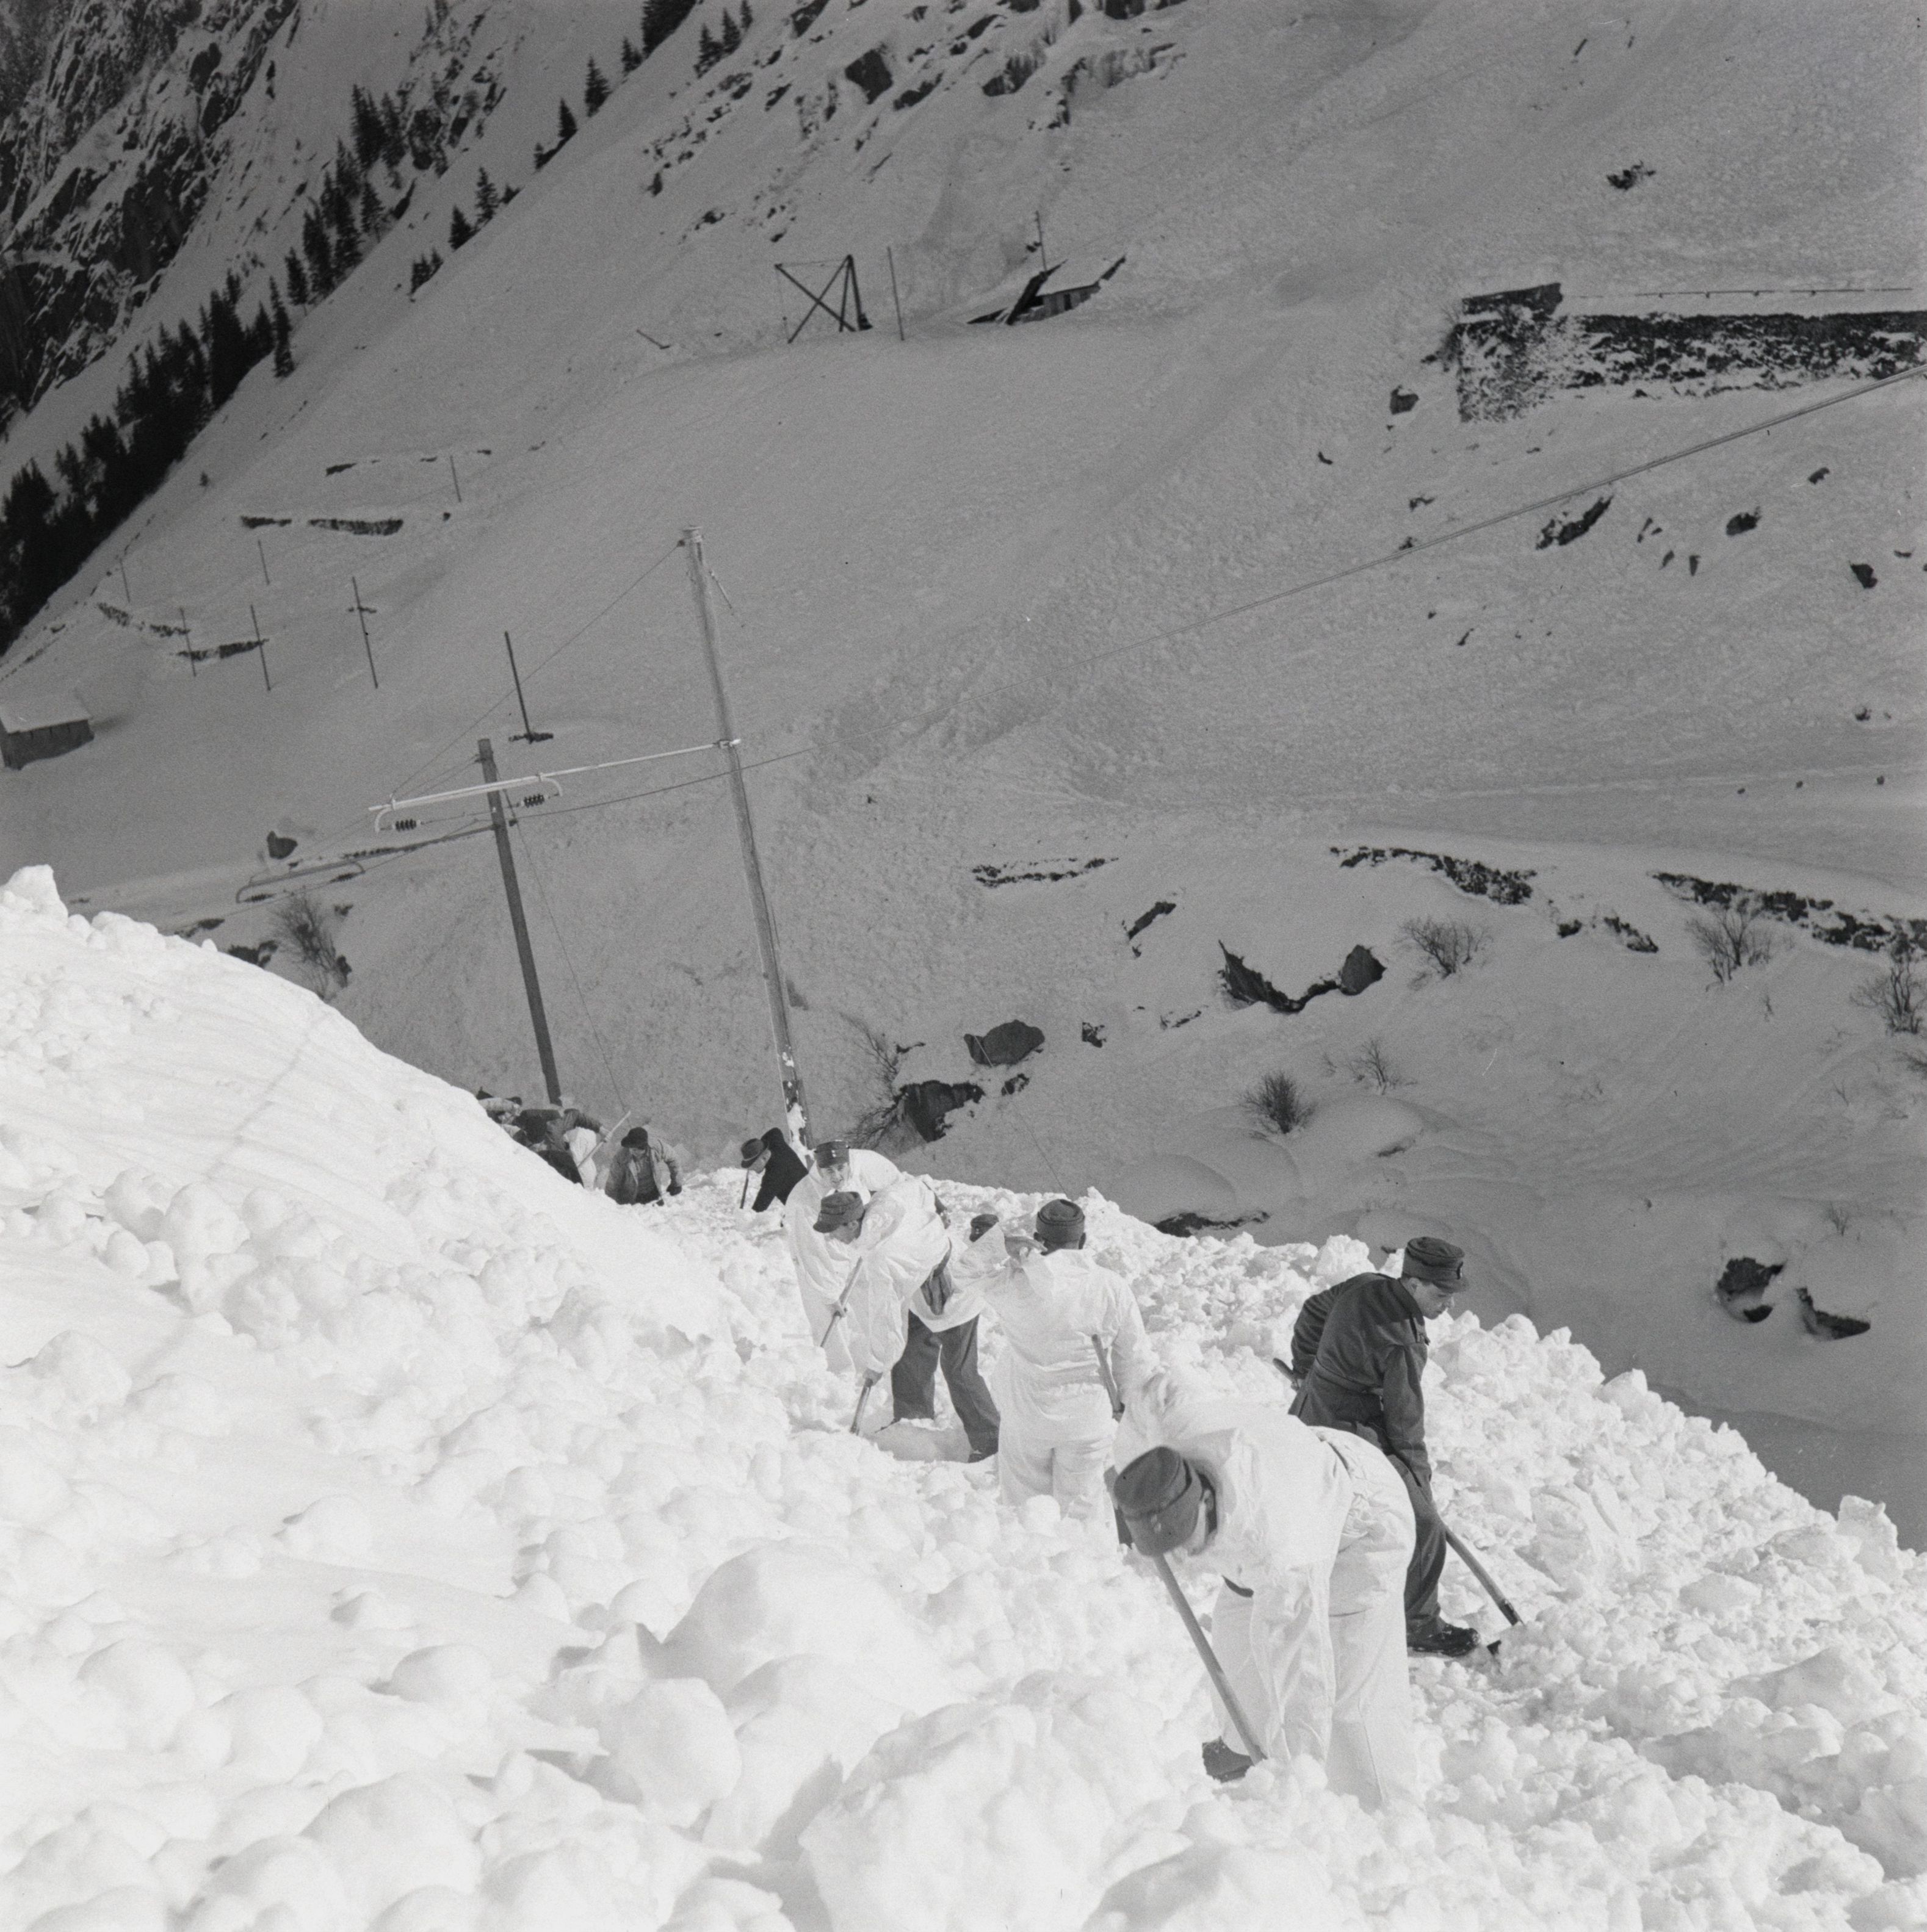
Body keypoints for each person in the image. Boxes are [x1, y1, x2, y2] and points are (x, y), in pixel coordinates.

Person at [1112, 1373, 1417, 1808]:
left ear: (1204, 1501)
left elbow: (1302, 1673)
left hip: (1363, 1525)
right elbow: (1155, 1390)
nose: (1178, 1558)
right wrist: (1128, 1468)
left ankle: (1384, 1809)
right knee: (1235, 1639)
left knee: (1352, 1700)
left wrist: (1300, 1781)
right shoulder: (1175, 1433)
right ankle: (1246, 1746)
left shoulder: (1279, 1549)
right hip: (1298, 1467)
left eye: (1183, 1541)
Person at [1287, 1235, 1477, 1658]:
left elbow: (1314, 1310)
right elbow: (1405, 1422)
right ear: (1414, 1283)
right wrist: (1417, 1479)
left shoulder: (1364, 1284)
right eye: (1441, 1294)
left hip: (1308, 1408)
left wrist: (1306, 1368)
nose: (1449, 1305)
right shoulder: (1405, 1339)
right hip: (1351, 1430)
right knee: (1424, 1525)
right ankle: (1419, 1625)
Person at [967, 1198, 1152, 1519]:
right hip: (1087, 1420)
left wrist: (1000, 1245)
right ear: (1083, 1239)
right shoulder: (1111, 1286)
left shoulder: (1015, 1283)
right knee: (1083, 1515)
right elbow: (1134, 1358)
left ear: (1038, 1239)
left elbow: (962, 1273)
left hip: (1026, 1417)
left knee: (1024, 1514)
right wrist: (1130, 1406)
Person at [814, 1179, 1000, 1462]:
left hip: (956, 1287)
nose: (831, 1237)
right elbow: (918, 1186)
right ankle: (913, 1419)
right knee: (912, 1350)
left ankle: (991, 1442)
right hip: (923, 1282)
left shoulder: (880, 1258)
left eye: (833, 1230)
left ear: (852, 1224)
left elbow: (886, 1316)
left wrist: (877, 1364)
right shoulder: (886, 1200)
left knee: (958, 1369)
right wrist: (938, 1207)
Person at [786, 1140, 902, 1368]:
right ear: (819, 1170)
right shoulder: (805, 1201)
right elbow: (811, 1254)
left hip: (853, 1253)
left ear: (849, 1164)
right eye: (829, 1171)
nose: (837, 1176)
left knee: (870, 1306)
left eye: (841, 1168)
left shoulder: (857, 1174)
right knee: (828, 1317)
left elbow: (895, 1184)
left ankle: (879, 1361)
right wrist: (830, 1296)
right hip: (815, 1264)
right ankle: (839, 1372)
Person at [604, 1125, 682, 1206]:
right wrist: (609, 1203)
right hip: (631, 1198)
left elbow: (673, 1159)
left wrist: (676, 1183)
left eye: (635, 1150)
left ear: (643, 1148)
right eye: (630, 1148)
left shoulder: (656, 1147)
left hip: (653, 1193)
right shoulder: (621, 1157)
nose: (631, 1151)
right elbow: (613, 1180)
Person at [740, 1129, 808, 1212]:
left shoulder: (774, 1175)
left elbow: (759, 1208)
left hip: (807, 1209)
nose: (753, 1169)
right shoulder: (776, 1143)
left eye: (754, 1165)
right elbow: (775, 1132)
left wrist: (746, 1216)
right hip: (810, 1188)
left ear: (764, 1157)